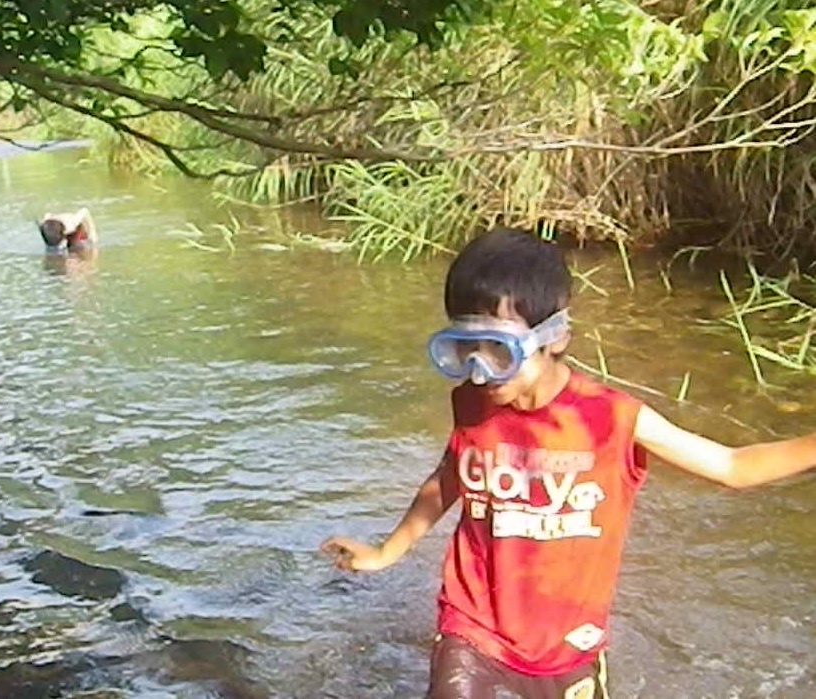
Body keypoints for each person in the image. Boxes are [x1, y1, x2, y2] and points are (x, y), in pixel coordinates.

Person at [320, 227, 816, 699]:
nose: (479, 370)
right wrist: (388, 551)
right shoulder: (472, 404)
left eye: (499, 350)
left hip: (569, 646)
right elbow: (451, 476)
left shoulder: (612, 418)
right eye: (464, 349)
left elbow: (733, 466)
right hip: (473, 629)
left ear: (554, 337)